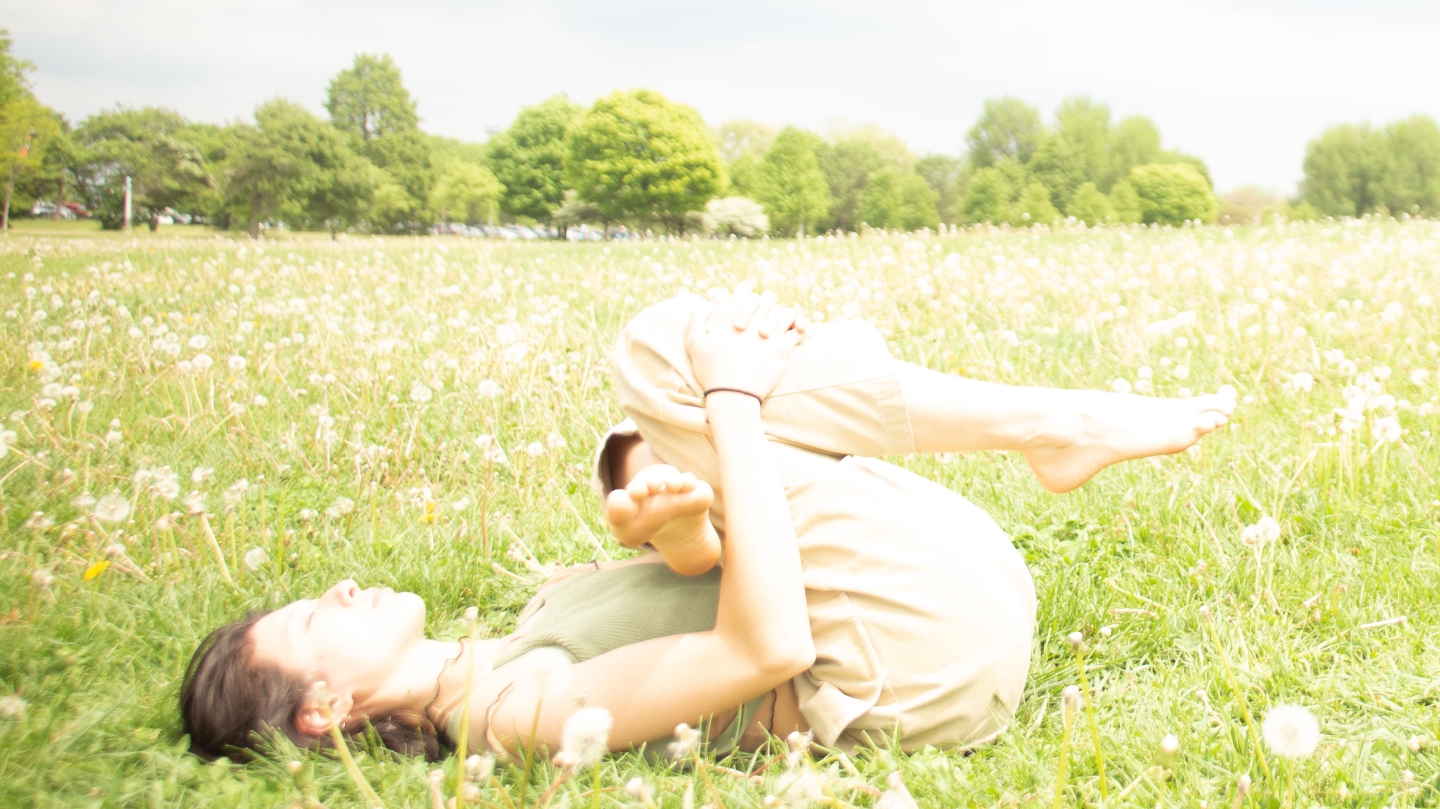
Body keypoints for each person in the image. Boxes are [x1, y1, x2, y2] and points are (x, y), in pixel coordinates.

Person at [181, 290, 1234, 762]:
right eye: (318, 619)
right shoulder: (509, 711)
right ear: (324, 708)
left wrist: (676, 527)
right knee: (667, 358)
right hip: (914, 655)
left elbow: (717, 584)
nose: (344, 589)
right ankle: (1057, 423)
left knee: (665, 409)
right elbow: (761, 646)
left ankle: (1040, 423)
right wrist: (731, 404)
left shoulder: (517, 636)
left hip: (949, 591)